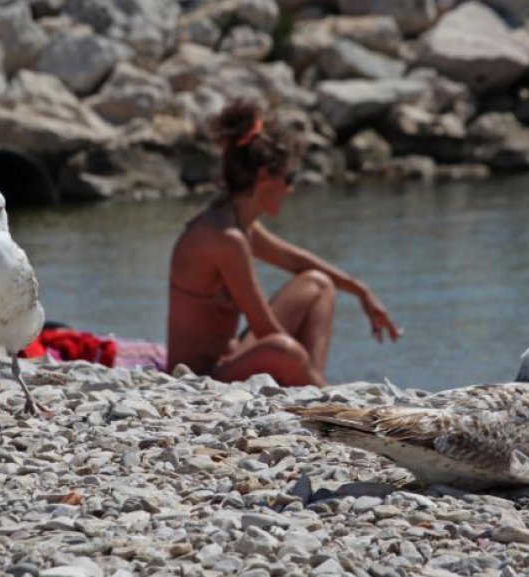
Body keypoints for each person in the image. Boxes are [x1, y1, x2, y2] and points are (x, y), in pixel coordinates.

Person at [167, 102, 400, 387]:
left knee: (318, 284)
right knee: (283, 350)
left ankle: (313, 385)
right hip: (198, 380)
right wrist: (295, 356)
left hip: (230, 359)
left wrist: (361, 291)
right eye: (288, 178)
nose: (290, 189)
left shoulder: (238, 221)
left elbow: (295, 261)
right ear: (263, 176)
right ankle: (322, 393)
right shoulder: (225, 238)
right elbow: (264, 329)